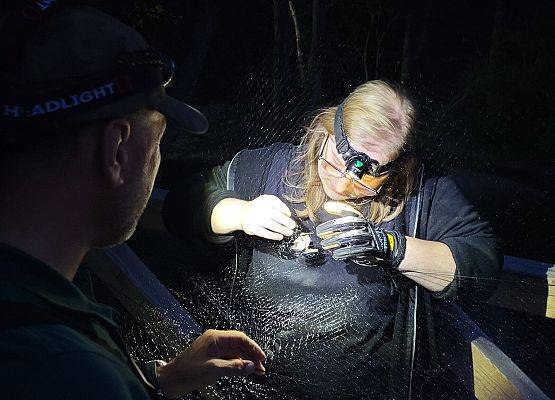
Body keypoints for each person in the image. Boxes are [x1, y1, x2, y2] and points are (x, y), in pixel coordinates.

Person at [164, 80, 503, 399]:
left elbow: (482, 267)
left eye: (369, 175)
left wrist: (391, 247)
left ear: (398, 167)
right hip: (248, 386)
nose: (343, 185)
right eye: (335, 163)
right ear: (326, 131)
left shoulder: (421, 198)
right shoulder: (273, 167)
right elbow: (180, 203)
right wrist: (239, 213)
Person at [0, 4, 266, 400]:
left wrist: (154, 381)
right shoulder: (67, 368)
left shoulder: (32, 311)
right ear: (116, 150)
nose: (157, 163)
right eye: (157, 142)